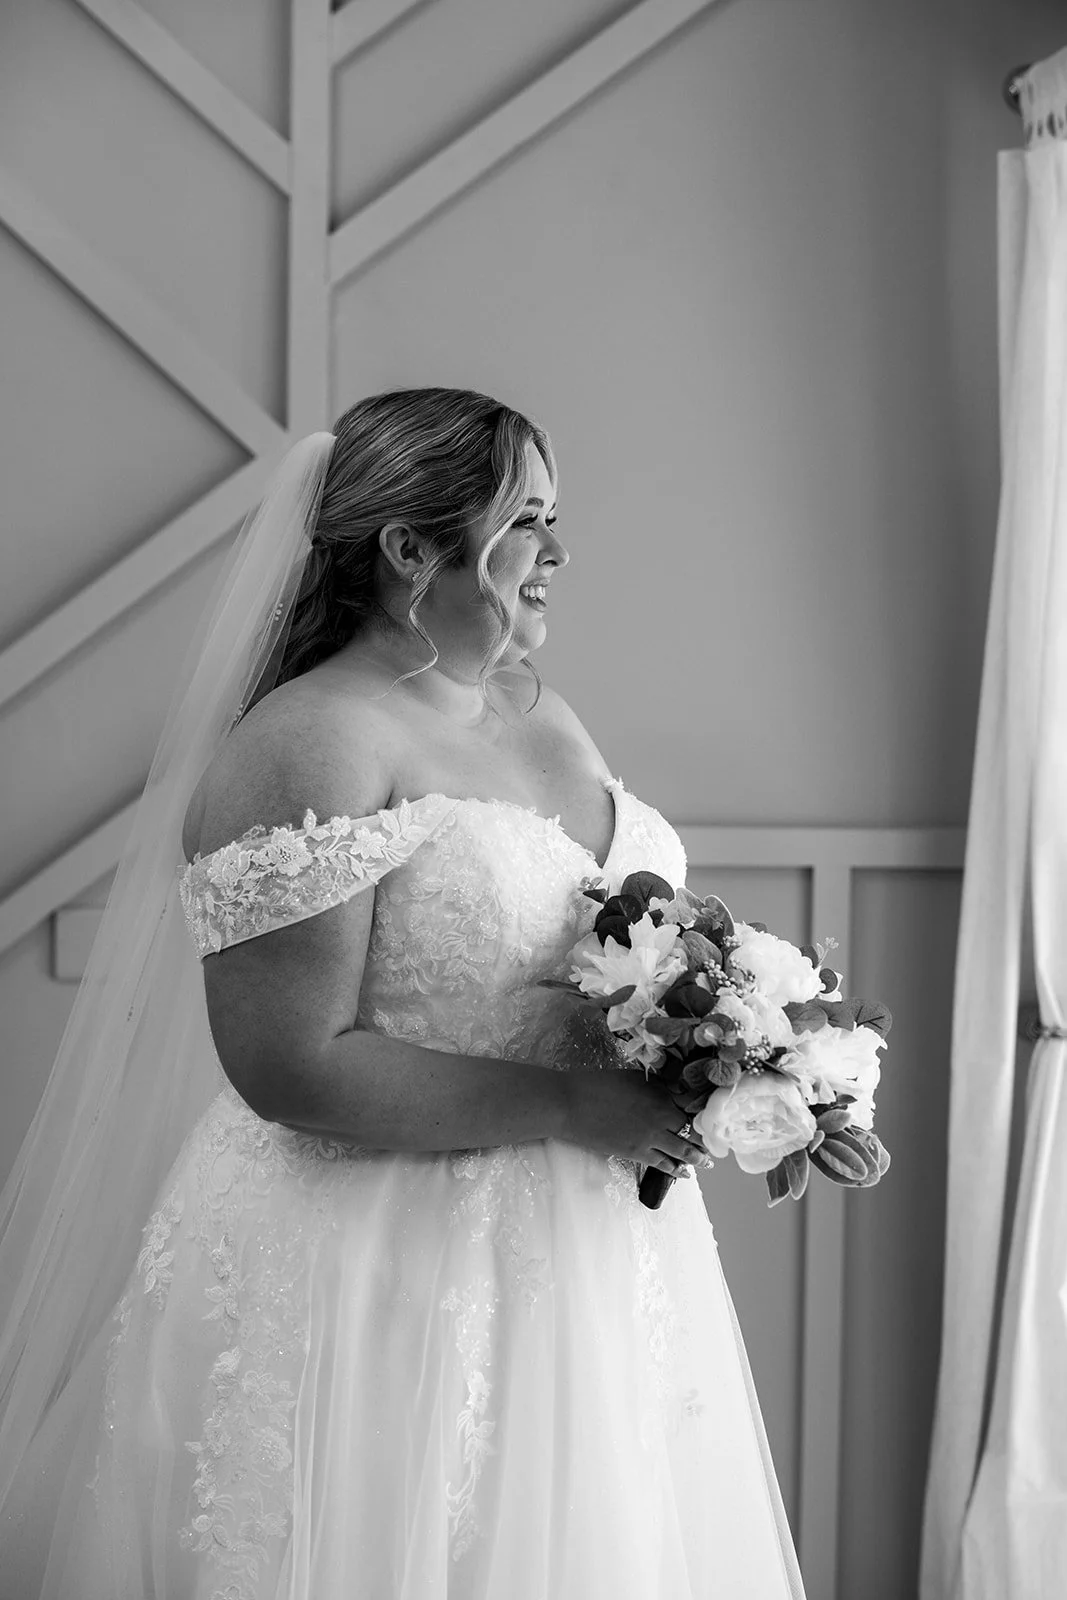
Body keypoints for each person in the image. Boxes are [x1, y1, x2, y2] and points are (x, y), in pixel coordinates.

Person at [0, 388, 807, 1597]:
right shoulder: (309, 743)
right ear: (411, 546)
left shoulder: (543, 714)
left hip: (590, 1264)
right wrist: (580, 1110)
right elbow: (292, 1064)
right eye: (526, 520)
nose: (556, 554)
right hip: (380, 1273)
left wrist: (721, 1025)